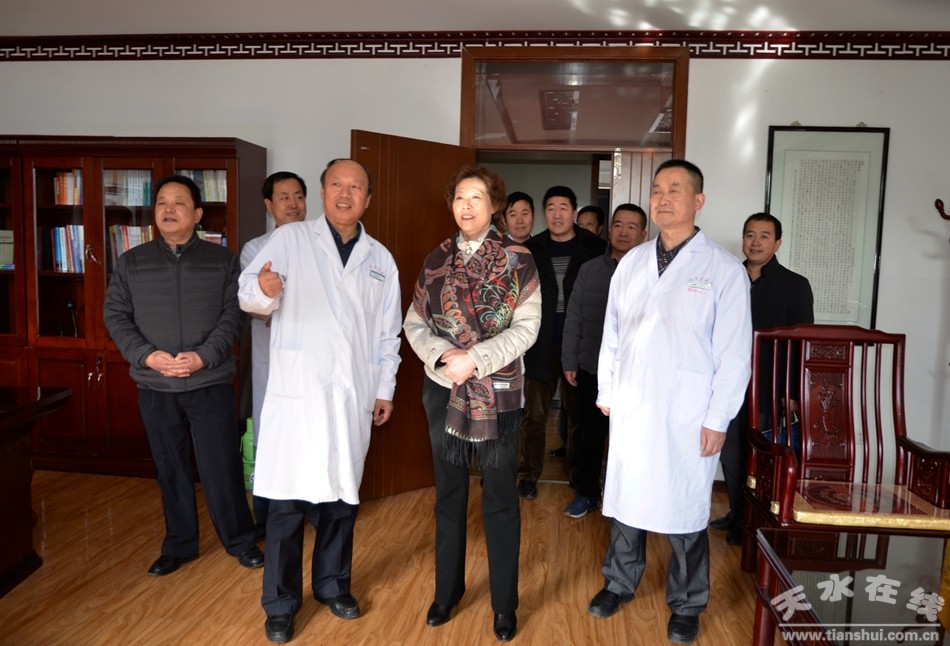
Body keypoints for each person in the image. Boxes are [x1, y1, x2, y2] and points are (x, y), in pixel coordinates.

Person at [238, 159, 402, 644]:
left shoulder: (380, 258)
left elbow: (388, 333)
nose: (345, 194)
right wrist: (263, 289)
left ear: (368, 199)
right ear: (324, 192)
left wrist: (384, 389)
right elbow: (248, 294)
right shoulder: (290, 240)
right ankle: (280, 604)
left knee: (341, 499)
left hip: (351, 395)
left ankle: (333, 585)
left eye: (355, 187)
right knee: (286, 504)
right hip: (298, 395)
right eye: (336, 185)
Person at [587, 160, 751, 645]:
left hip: (688, 411)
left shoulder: (722, 269)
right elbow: (612, 330)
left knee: (685, 507)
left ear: (698, 201)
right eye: (657, 189)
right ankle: (619, 583)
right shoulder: (632, 262)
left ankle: (687, 603)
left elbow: (734, 353)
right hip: (633, 402)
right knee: (627, 498)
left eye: (675, 190)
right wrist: (607, 391)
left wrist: (718, 418)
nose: (662, 198)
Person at [403, 166, 541, 643]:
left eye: (476, 197)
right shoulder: (435, 258)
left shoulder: (518, 259)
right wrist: (444, 356)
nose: (466, 205)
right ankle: (447, 592)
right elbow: (414, 321)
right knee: (448, 493)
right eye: (460, 197)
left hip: (498, 393)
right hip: (442, 387)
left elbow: (527, 327)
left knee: (500, 497)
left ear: (494, 205)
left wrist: (476, 359)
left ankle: (504, 605)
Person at [103, 174, 264, 578]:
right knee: (169, 467)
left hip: (208, 383)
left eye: (179, 202)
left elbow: (233, 316)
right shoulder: (131, 262)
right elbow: (115, 316)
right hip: (156, 384)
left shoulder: (223, 261)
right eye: (161, 202)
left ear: (197, 214)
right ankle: (179, 544)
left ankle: (240, 540)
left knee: (221, 466)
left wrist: (202, 358)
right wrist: (148, 357)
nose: (169, 209)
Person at [711, 212, 814, 545]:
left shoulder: (795, 285)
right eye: (750, 235)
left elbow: (801, 343)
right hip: (728, 384)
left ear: (777, 243)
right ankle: (737, 513)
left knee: (760, 456)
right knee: (730, 454)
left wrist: (793, 391)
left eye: (764, 236)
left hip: (769, 386)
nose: (755, 242)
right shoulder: (727, 277)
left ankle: (755, 522)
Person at [517, 186, 606, 499]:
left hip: (580, 346)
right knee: (534, 416)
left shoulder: (594, 247)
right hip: (539, 344)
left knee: (579, 416)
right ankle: (528, 475)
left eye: (563, 208)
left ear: (574, 212)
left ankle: (578, 475)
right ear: (544, 214)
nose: (557, 214)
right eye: (551, 208)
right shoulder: (531, 249)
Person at [561, 204, 648, 519]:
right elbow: (574, 317)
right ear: (609, 231)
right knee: (589, 435)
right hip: (592, 367)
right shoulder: (590, 269)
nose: (624, 232)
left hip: (638, 373)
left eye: (632, 226)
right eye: (618, 225)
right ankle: (587, 493)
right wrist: (569, 360)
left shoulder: (652, 272)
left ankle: (629, 498)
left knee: (633, 438)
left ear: (644, 234)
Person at [240, 171, 308, 534]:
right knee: (272, 434)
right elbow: (255, 305)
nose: (293, 204)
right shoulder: (256, 250)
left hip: (311, 358)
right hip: (272, 357)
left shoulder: (320, 244)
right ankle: (267, 514)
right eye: (284, 197)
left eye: (298, 196)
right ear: (269, 205)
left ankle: (312, 507)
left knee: (309, 431)